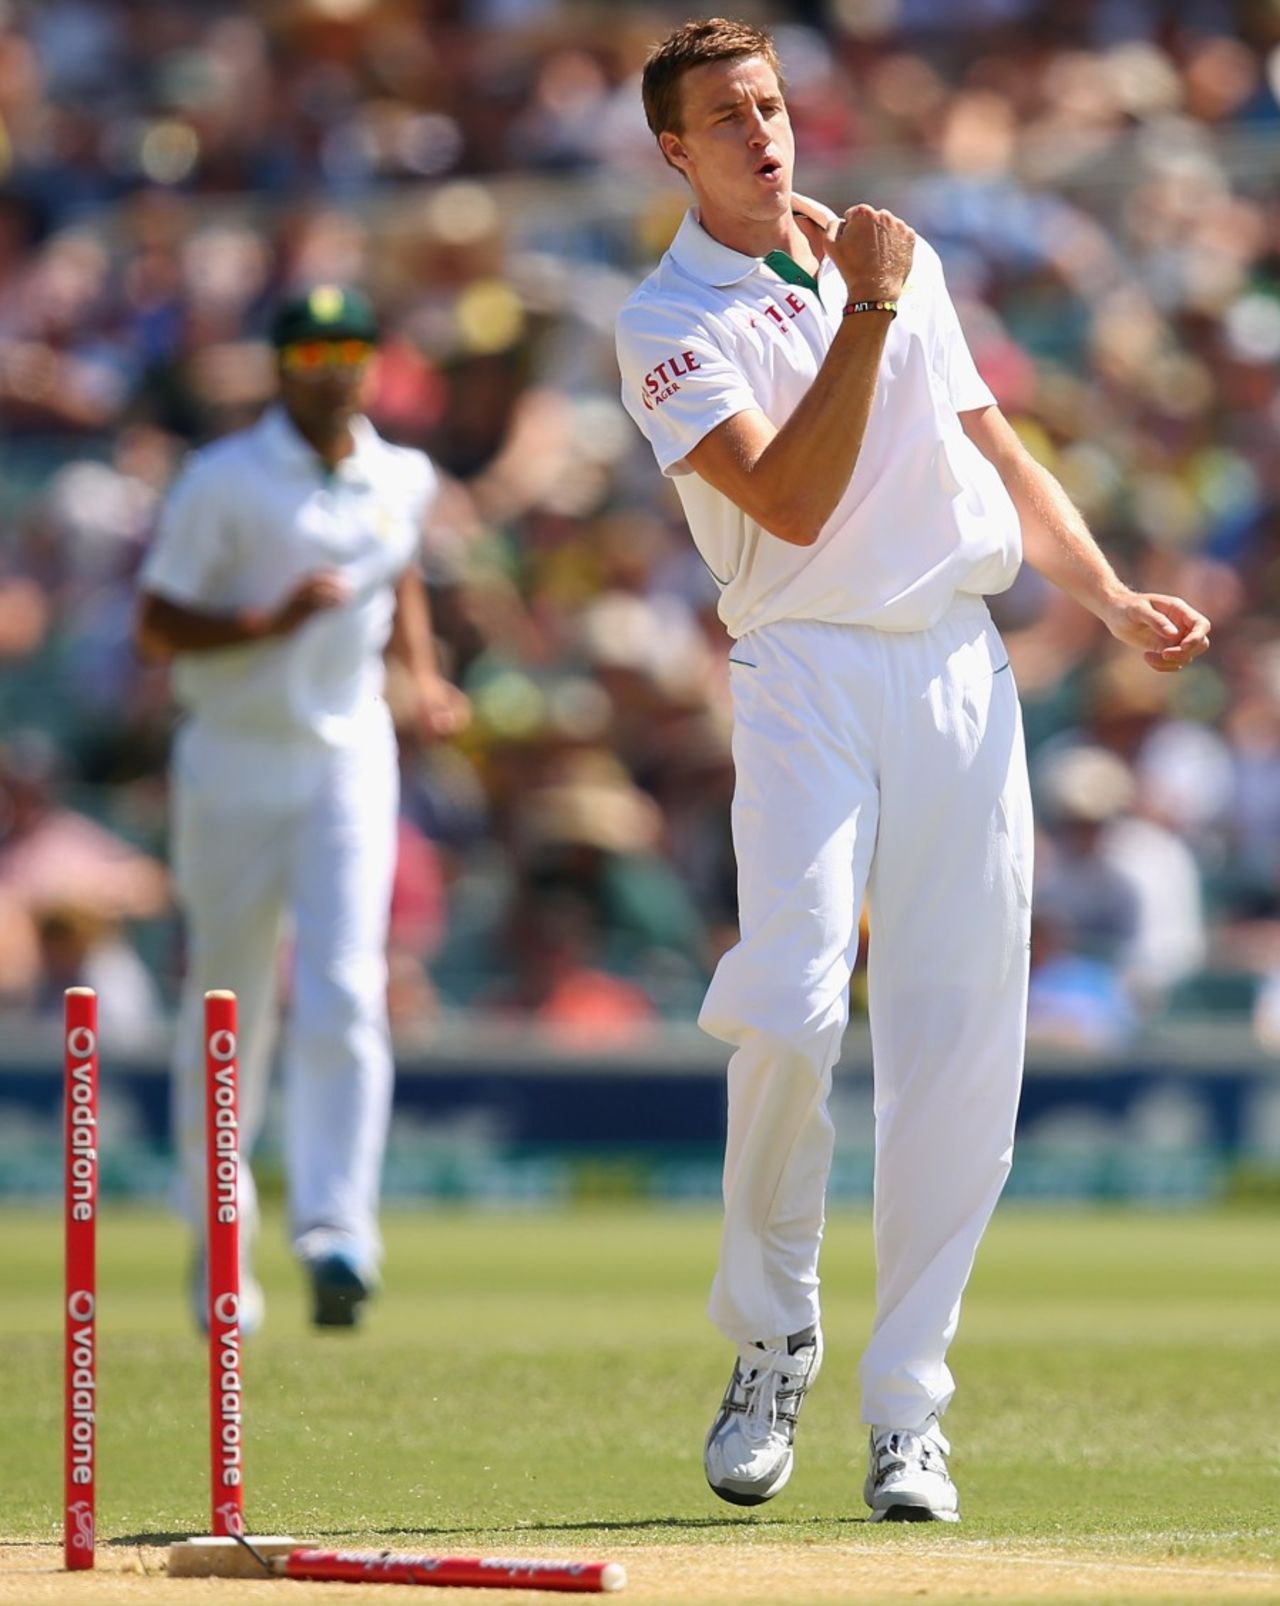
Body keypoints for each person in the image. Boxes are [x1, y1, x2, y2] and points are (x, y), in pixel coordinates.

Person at [615, 19, 1211, 1522]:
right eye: (724, 117)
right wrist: (867, 308)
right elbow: (789, 503)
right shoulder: (664, 318)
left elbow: (996, 454)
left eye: (769, 103)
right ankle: (771, 1340)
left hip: (955, 658)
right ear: (674, 151)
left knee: (960, 1044)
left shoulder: (895, 260)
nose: (761, 132)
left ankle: (907, 1411)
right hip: (802, 664)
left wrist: (1106, 595)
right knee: (792, 1000)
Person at [135, 285, 469, 1330]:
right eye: (314, 352)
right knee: (230, 1001)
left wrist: (423, 677)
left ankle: (336, 1232)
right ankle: (219, 1246)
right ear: (282, 365)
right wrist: (266, 623)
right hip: (232, 755)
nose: (334, 370)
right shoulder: (222, 480)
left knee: (348, 985)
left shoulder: (401, 475)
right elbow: (156, 626)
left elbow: (396, 573)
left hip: (347, 754)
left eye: (350, 350)